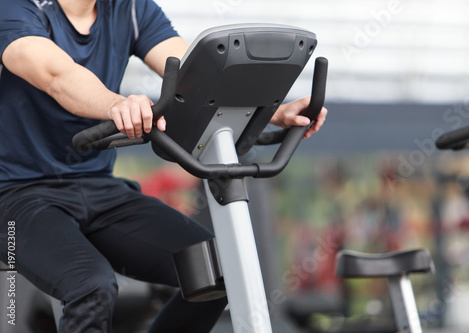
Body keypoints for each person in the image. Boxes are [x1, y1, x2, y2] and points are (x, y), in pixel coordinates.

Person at [0, 0, 327, 332]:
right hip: (17, 195)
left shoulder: (130, 9)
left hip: (99, 187)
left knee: (221, 269)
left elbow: (200, 74)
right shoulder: (17, 8)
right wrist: (118, 105)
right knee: (91, 285)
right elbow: (56, 75)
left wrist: (273, 112)